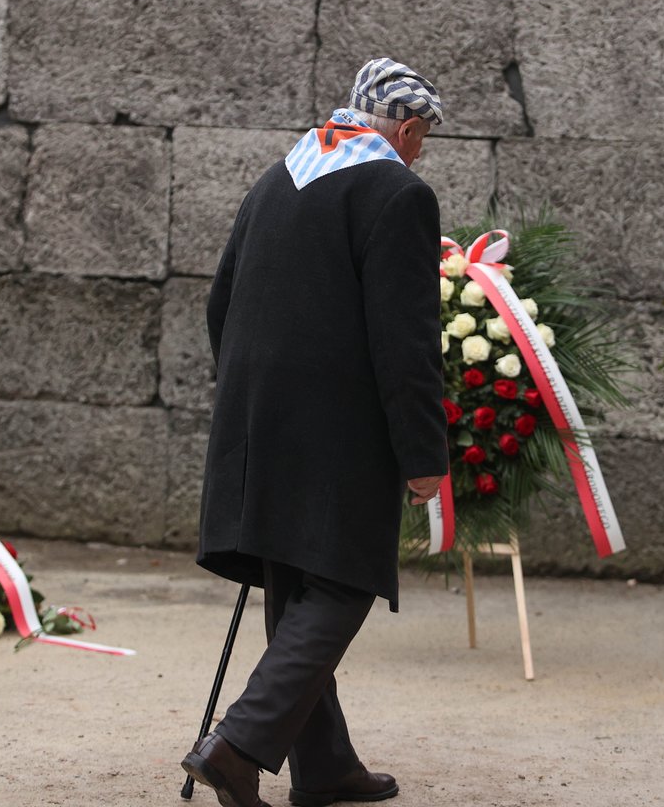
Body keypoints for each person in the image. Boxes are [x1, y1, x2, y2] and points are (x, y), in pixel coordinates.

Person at [181, 58, 451, 807]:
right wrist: (423, 453)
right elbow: (405, 341)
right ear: (407, 127)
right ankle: (237, 746)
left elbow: (219, 304)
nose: (421, 154)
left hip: (256, 413)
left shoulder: (276, 179)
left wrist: (254, 394)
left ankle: (325, 767)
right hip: (340, 425)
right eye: (423, 138)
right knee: (343, 579)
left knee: (297, 578)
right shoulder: (398, 192)